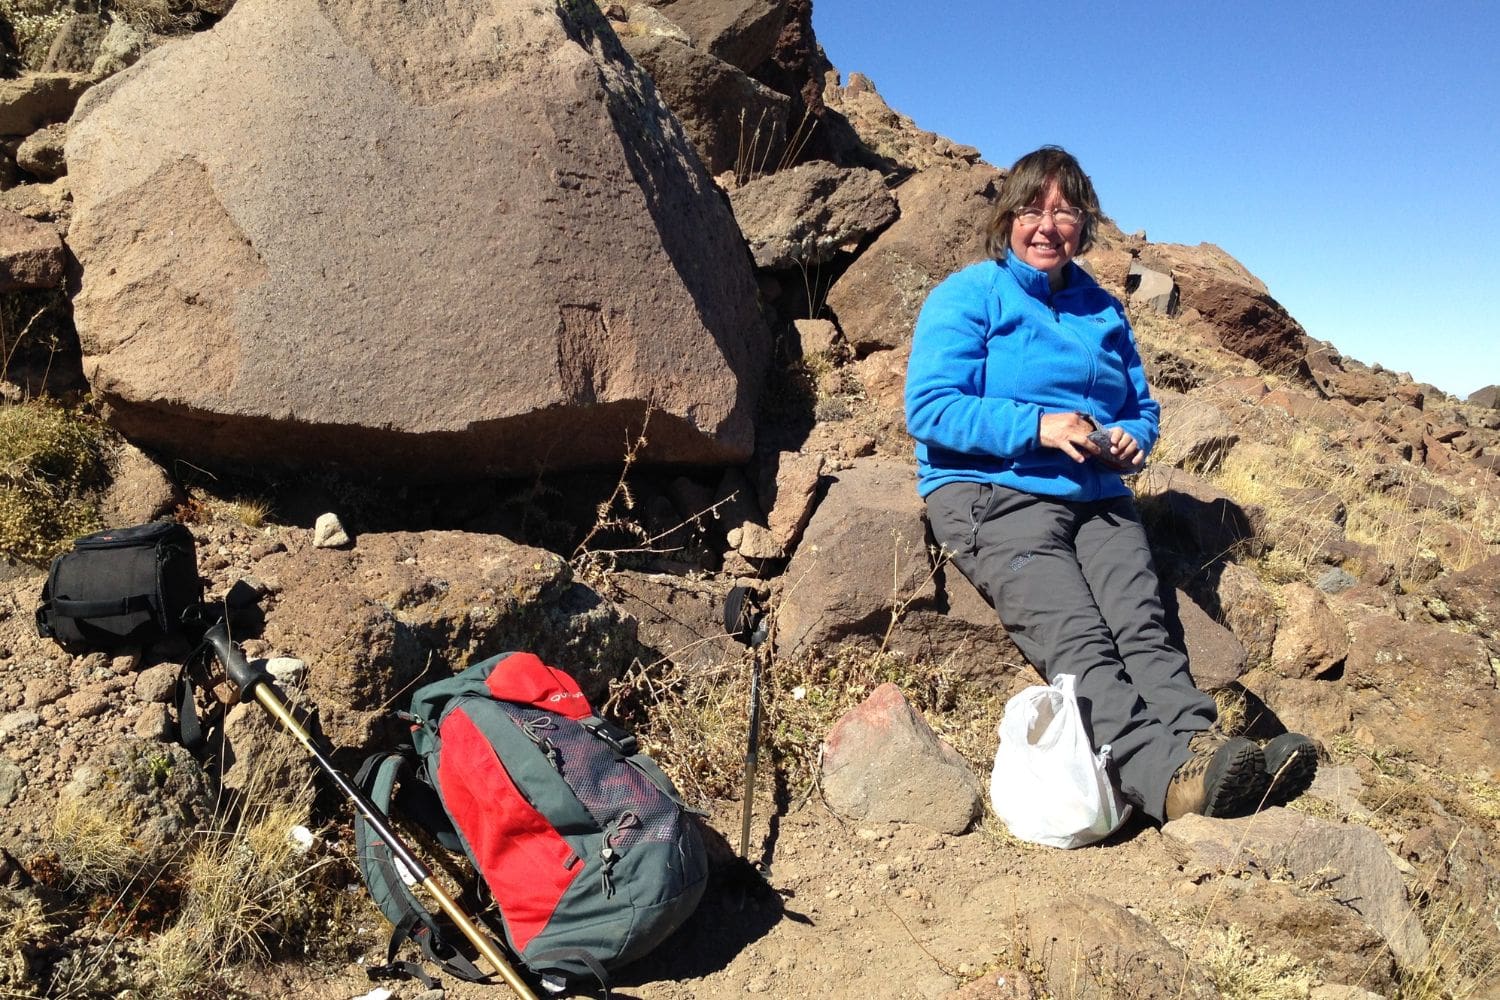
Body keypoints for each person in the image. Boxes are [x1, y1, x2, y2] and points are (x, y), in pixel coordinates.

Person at [904, 145, 1315, 824]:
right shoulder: (970, 295)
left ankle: (1210, 756)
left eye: (1064, 213)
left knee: (1145, 630)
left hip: (1097, 495)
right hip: (993, 492)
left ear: (1084, 226)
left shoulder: (1102, 309)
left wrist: (1133, 438)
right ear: (1007, 217)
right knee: (1081, 638)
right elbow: (930, 407)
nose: (1047, 226)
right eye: (1033, 209)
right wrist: (1037, 426)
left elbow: (1140, 408)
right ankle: (1162, 781)